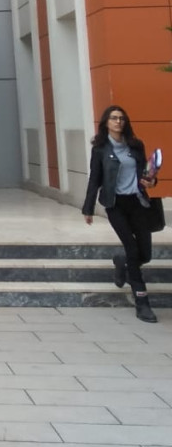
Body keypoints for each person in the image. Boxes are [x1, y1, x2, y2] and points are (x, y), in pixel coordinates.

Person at [82, 105, 160, 323]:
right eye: (114, 118)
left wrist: (151, 181)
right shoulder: (100, 149)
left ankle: (121, 261)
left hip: (138, 202)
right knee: (133, 249)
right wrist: (88, 208)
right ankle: (142, 302)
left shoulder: (135, 145)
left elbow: (146, 174)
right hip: (115, 205)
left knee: (145, 254)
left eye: (121, 119)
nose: (118, 122)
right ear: (106, 122)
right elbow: (95, 179)